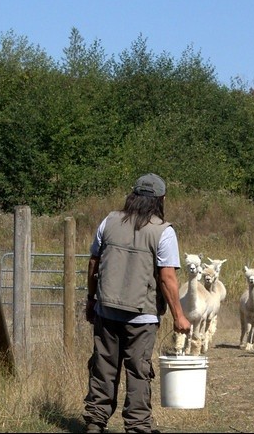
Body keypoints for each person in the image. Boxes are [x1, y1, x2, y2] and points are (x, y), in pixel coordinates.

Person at [83, 173, 191, 434]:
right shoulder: (163, 232)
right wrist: (179, 315)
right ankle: (138, 426)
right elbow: (167, 278)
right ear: (161, 199)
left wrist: (90, 299)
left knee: (103, 366)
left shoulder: (108, 221)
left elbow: (93, 263)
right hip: (141, 316)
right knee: (139, 371)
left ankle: (95, 423)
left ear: (132, 196)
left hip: (106, 309)